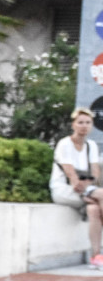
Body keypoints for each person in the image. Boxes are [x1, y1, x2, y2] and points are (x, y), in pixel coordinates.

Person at [50, 108, 103, 269]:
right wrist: (88, 186)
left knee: (94, 209)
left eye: (87, 123)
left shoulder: (91, 145)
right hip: (64, 191)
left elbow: (95, 173)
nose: (84, 126)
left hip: (87, 191)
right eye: (80, 122)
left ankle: (96, 257)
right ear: (73, 124)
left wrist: (88, 187)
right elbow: (72, 178)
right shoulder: (64, 144)